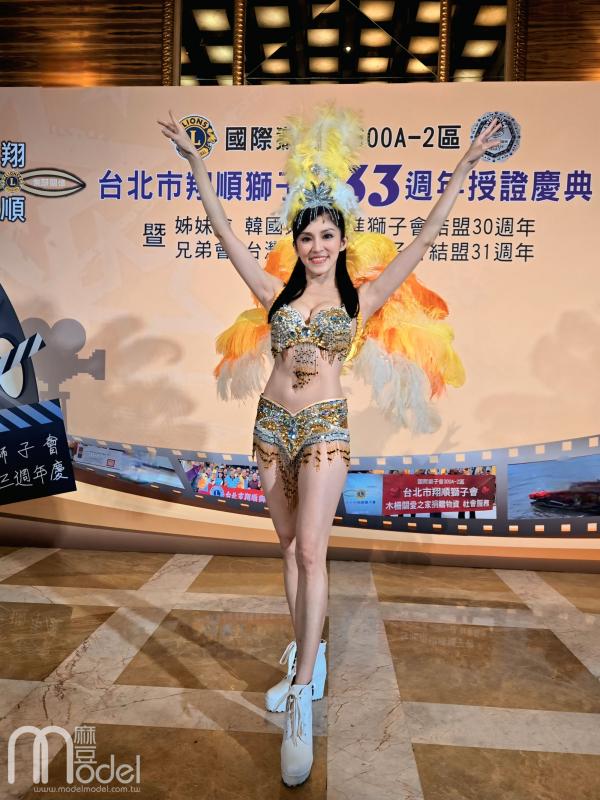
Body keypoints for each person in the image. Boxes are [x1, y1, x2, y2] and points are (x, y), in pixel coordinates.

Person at [158, 107, 502, 787]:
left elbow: (426, 237)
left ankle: (301, 701)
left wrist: (464, 165)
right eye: (307, 236)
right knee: (289, 549)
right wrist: (197, 164)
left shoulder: (363, 299)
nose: (316, 246)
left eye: (326, 235)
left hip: (323, 430)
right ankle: (304, 656)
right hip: (270, 429)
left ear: (343, 240)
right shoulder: (271, 290)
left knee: (313, 551)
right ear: (297, 242)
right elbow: (222, 230)